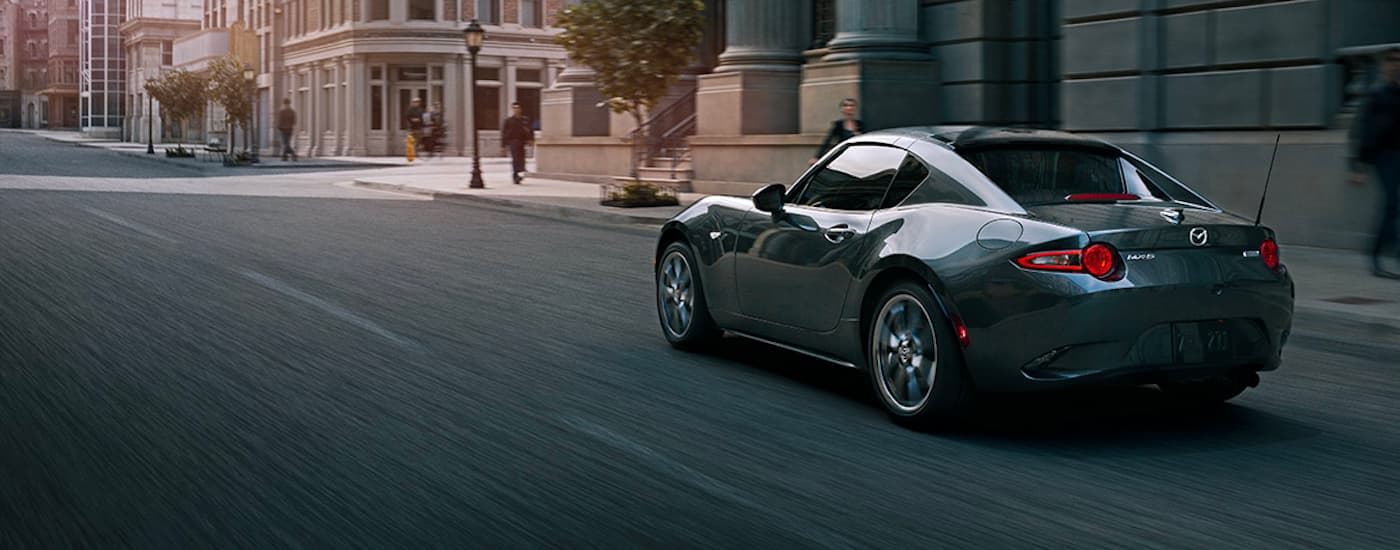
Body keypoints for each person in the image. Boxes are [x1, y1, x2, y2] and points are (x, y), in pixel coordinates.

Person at [1351, 47, 1400, 279]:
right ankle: (1377, 253)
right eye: (1392, 61)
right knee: (1392, 203)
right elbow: (1362, 131)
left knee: (1395, 207)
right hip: (1383, 156)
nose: (1396, 65)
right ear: (1384, 66)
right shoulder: (1377, 95)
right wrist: (1358, 165)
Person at [810, 97, 864, 165]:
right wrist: (817, 157)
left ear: (855, 108)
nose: (849, 108)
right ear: (842, 109)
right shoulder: (838, 125)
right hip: (843, 157)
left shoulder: (860, 125)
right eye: (846, 105)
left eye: (851, 105)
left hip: (858, 157)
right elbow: (827, 141)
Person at [501, 102, 534, 184]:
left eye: (518, 108)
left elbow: (530, 130)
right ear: (512, 109)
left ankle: (520, 172)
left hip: (522, 141)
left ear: (520, 109)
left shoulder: (525, 120)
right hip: (513, 141)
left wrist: (531, 139)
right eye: (514, 108)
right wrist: (503, 145)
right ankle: (515, 175)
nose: (516, 110)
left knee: (522, 159)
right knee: (515, 159)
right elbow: (504, 133)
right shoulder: (508, 121)